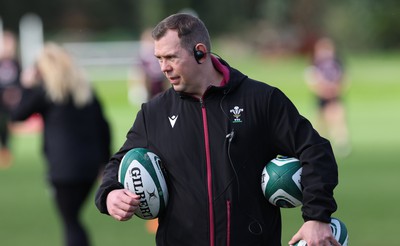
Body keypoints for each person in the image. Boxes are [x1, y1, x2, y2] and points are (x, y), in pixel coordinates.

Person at [95, 13, 340, 246]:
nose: (163, 68)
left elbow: (315, 150)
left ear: (200, 52)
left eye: (171, 57)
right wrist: (110, 195)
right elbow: (117, 164)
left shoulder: (261, 100)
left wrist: (316, 217)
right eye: (159, 59)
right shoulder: (154, 114)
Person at [11, 42, 111, 246]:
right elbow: (104, 127)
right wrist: (105, 162)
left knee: (70, 222)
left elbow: (18, 114)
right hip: (89, 167)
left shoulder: (47, 94)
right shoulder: (86, 91)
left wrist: (26, 86)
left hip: (64, 170)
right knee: (73, 219)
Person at [305, 37, 350, 157]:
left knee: (338, 118)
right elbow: (312, 80)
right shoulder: (315, 63)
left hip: (335, 94)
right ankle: (314, 144)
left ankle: (341, 143)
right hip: (321, 95)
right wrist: (322, 90)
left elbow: (344, 78)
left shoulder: (337, 62)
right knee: (319, 122)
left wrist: (336, 89)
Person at [0, 31, 22, 168]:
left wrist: (14, 93)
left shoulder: (15, 62)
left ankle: (6, 150)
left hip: (10, 99)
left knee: (6, 124)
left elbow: (19, 80)